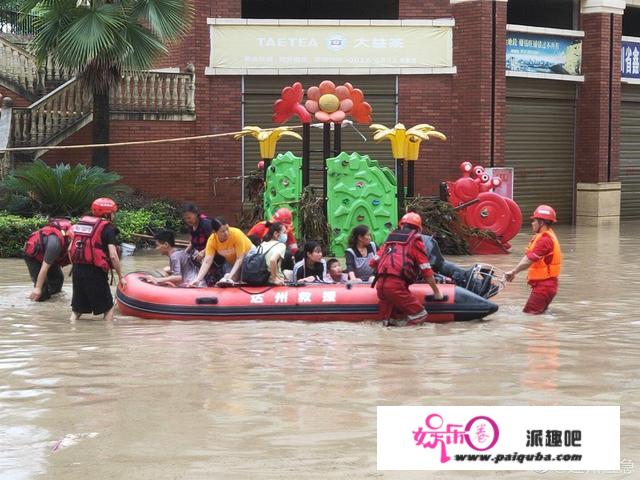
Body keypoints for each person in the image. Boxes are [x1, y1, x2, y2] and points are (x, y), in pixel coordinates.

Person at [370, 212, 444, 326]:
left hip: (380, 286)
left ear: (401, 225)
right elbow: (426, 270)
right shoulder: (415, 241)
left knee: (388, 322)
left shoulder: (389, 240)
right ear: (418, 229)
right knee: (420, 315)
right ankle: (406, 339)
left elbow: (372, 262)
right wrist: (437, 292)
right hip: (396, 286)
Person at [69, 198, 125, 321]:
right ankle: (109, 336)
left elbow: (70, 249)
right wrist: (121, 276)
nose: (114, 215)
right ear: (107, 213)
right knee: (108, 307)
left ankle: (71, 330)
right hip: (95, 271)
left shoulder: (81, 224)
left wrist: (77, 267)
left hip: (77, 270)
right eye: (113, 212)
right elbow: (113, 255)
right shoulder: (108, 228)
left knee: (77, 309)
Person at [505, 205, 563, 314]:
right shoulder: (542, 236)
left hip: (544, 287)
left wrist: (514, 271)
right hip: (545, 286)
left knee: (529, 316)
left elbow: (528, 260)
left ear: (542, 222)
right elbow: (528, 257)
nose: (532, 223)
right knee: (537, 316)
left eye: (535, 220)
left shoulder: (545, 240)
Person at [190, 217, 254, 286]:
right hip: (232, 261)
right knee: (228, 281)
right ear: (215, 232)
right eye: (222, 231)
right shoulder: (212, 240)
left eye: (227, 229)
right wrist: (198, 280)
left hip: (249, 258)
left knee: (233, 278)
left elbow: (240, 258)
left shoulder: (236, 234)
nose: (226, 233)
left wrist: (229, 277)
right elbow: (207, 261)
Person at [23, 217, 73, 302]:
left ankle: (53, 304)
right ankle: (37, 303)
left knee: (58, 279)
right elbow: (44, 268)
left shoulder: (68, 239)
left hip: (47, 255)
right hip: (33, 257)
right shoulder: (55, 244)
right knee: (42, 291)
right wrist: (38, 288)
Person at [182, 203, 223, 285]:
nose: (187, 220)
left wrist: (204, 252)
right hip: (201, 254)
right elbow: (192, 243)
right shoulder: (191, 226)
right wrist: (183, 253)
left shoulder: (206, 224)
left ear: (196, 214)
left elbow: (216, 240)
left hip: (214, 254)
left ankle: (210, 282)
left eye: (189, 217)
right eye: (185, 219)